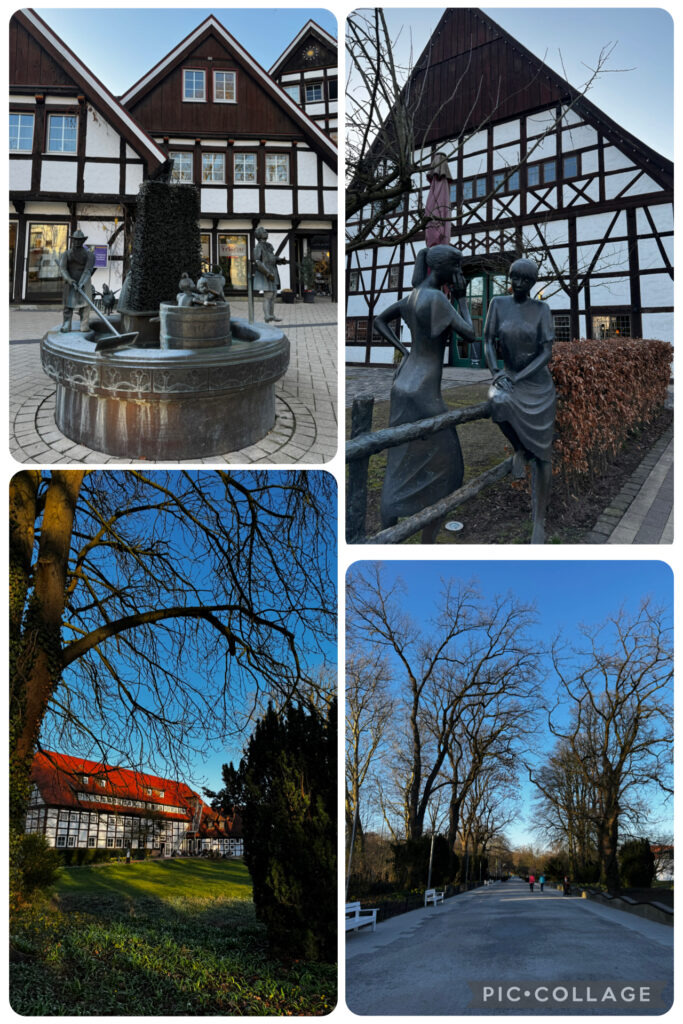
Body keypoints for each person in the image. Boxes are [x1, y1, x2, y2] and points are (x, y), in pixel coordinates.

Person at [373, 245, 476, 542]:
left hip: (403, 385)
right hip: (424, 392)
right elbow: (469, 334)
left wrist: (403, 350)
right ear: (442, 269)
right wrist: (462, 299)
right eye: (456, 268)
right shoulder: (437, 300)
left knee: (399, 459)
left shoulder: (412, 296)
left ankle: (389, 531)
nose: (458, 275)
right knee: (450, 468)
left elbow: (379, 320)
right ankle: (426, 540)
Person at [484, 257, 556, 543]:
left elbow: (546, 352)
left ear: (532, 284)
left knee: (544, 454)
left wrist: (520, 376)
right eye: (514, 277)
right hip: (508, 378)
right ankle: (518, 449)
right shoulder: (497, 305)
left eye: (525, 280)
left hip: (537, 384)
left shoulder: (542, 309)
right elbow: (487, 340)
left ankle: (539, 520)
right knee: (496, 403)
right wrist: (497, 372)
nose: (518, 284)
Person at [58, 228, 95, 332]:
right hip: (70, 281)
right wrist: (69, 280)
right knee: (68, 305)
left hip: (85, 281)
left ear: (83, 241)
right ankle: (66, 324)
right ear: (72, 240)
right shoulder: (66, 254)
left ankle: (84, 324)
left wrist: (81, 283)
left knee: (85, 305)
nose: (77, 242)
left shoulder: (89, 255)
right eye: (75, 240)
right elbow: (63, 268)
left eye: (79, 240)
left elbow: (88, 270)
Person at [252, 226, 287, 323]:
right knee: (268, 295)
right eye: (264, 232)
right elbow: (258, 262)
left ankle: (272, 315)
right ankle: (267, 315)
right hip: (265, 273)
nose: (266, 233)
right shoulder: (258, 247)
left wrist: (280, 260)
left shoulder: (269, 246)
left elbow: (272, 257)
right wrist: (267, 273)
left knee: (274, 295)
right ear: (259, 235)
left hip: (273, 271)